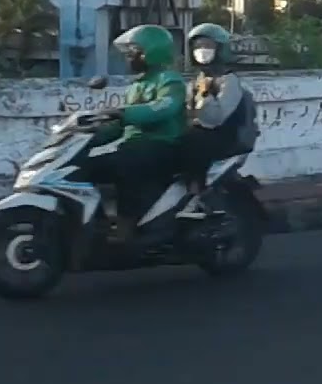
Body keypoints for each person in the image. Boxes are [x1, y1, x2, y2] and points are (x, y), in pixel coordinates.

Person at [89, 25, 188, 243]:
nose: (129, 57)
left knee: (125, 163)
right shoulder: (137, 85)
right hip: (135, 143)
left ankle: (127, 225)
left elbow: (165, 107)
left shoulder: (170, 80)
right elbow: (122, 124)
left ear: (151, 52)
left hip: (163, 144)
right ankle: (97, 221)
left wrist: (124, 112)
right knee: (86, 163)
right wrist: (92, 135)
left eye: (134, 51)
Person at [182, 23, 258, 190]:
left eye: (208, 46)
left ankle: (196, 190)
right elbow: (188, 112)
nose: (202, 51)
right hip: (202, 133)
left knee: (194, 140)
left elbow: (214, 118)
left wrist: (205, 94)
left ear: (221, 49)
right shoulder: (196, 81)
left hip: (226, 137)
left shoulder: (229, 81)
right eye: (197, 46)